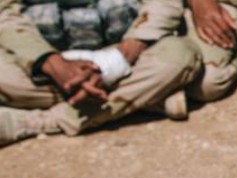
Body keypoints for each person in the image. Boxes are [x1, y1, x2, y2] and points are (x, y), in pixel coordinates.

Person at [0, 0, 202, 146]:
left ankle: (40, 123)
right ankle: (145, 99)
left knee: (179, 55)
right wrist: (51, 63)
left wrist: (118, 60)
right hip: (46, 62)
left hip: (127, 53)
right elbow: (5, 14)